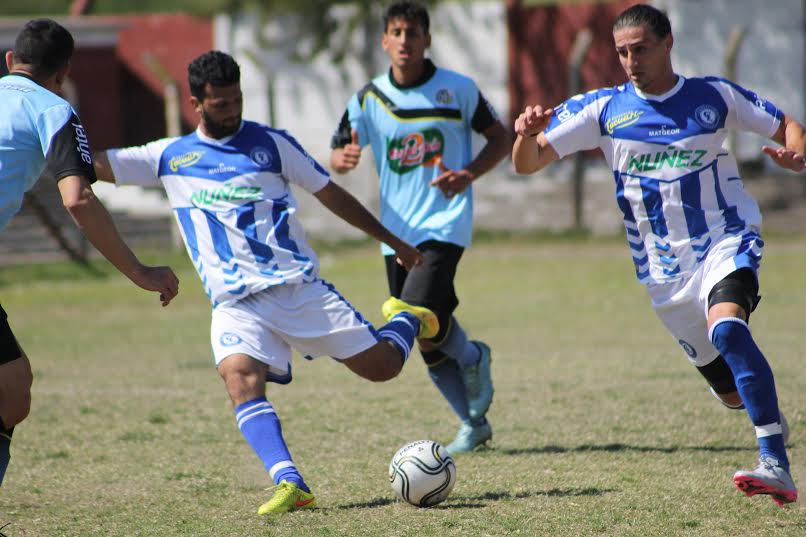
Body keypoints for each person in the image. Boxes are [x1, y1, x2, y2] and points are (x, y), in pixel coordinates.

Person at [92, 50, 438, 517]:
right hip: (235, 304)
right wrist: (46, 148)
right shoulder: (168, 158)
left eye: (237, 100)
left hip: (296, 288)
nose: (232, 110)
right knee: (239, 377)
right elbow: (91, 165)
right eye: (220, 104)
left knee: (382, 367)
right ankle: (291, 483)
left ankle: (407, 318)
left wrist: (392, 240)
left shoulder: (272, 145)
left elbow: (332, 195)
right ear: (196, 103)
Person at [513, 4, 805, 507]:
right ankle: (761, 409)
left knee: (729, 327)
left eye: (640, 49)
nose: (630, 61)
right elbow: (528, 163)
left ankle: (774, 462)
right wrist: (523, 132)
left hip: (724, 239)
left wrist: (797, 157)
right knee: (730, 390)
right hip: (665, 275)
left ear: (668, 44)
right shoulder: (603, 109)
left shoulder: (712, 96)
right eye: (622, 52)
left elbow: (789, 128)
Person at [0, 19, 180, 487]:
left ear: (9, 62)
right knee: (11, 393)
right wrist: (139, 270)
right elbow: (78, 197)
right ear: (63, 75)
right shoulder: (54, 110)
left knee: (11, 386)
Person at [330, 1, 510, 455]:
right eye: (397, 32)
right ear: (384, 41)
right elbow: (337, 153)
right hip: (395, 234)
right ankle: (473, 423)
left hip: (444, 224)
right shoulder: (369, 99)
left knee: (407, 318)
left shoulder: (458, 90)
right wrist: (343, 160)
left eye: (413, 32)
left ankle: (471, 359)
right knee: (430, 337)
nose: (405, 41)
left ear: (427, 39)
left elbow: (502, 138)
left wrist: (467, 174)